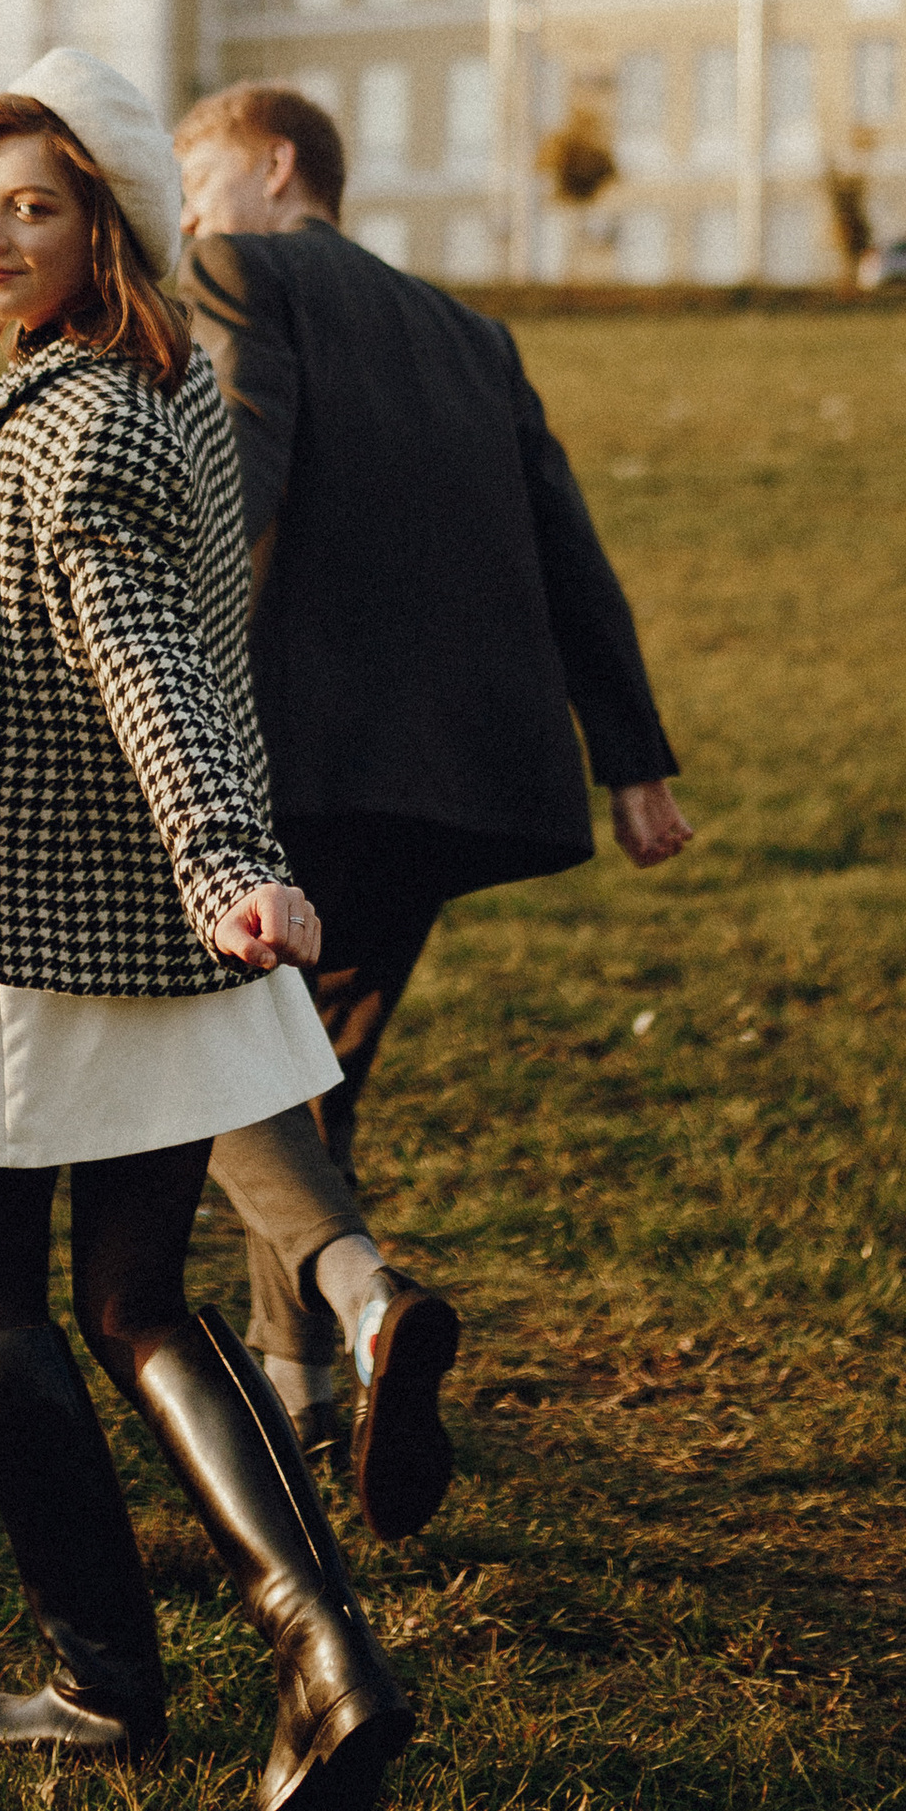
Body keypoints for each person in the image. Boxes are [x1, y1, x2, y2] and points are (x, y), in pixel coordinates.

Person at [0, 45, 414, 1811]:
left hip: (46, 922)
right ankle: (324, 1648)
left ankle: (105, 1676)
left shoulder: (80, 425)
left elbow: (146, 658)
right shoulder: (163, 382)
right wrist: (222, 878)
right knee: (136, 1301)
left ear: (104, 227)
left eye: (37, 207)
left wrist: (223, 855)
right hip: (161, 930)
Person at [176, 82, 691, 1496]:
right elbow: (568, 543)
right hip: (452, 777)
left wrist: (153, 659)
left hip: (294, 758)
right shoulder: (472, 334)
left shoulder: (242, 272)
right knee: (309, 1072)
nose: (189, 218)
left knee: (194, 1052)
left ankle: (362, 1304)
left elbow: (237, 478)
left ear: (277, 165)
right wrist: (633, 762)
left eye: (199, 183)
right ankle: (300, 1393)